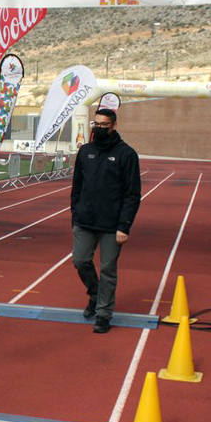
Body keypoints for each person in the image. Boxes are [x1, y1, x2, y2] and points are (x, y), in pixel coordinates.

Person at [70, 107, 141, 334]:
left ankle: (103, 313)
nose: (99, 128)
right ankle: (95, 293)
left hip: (112, 225)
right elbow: (77, 186)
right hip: (84, 220)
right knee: (80, 261)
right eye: (96, 124)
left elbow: (132, 194)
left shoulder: (126, 154)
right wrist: (75, 214)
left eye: (104, 125)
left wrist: (124, 226)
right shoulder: (85, 151)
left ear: (114, 126)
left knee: (108, 269)